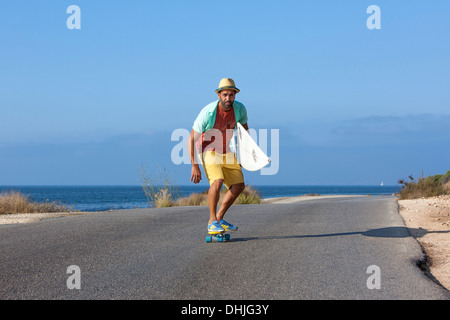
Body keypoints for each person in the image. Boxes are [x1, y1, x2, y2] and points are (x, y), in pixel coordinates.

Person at [188, 78, 248, 235]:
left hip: (226, 151)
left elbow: (244, 134)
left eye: (231, 95)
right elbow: (191, 139)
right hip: (208, 150)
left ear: (235, 95)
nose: (228, 98)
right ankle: (212, 221)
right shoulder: (208, 113)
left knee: (239, 185)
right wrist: (194, 165)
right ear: (219, 95)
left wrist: (244, 156)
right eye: (225, 95)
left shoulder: (239, 109)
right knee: (218, 181)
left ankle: (220, 218)